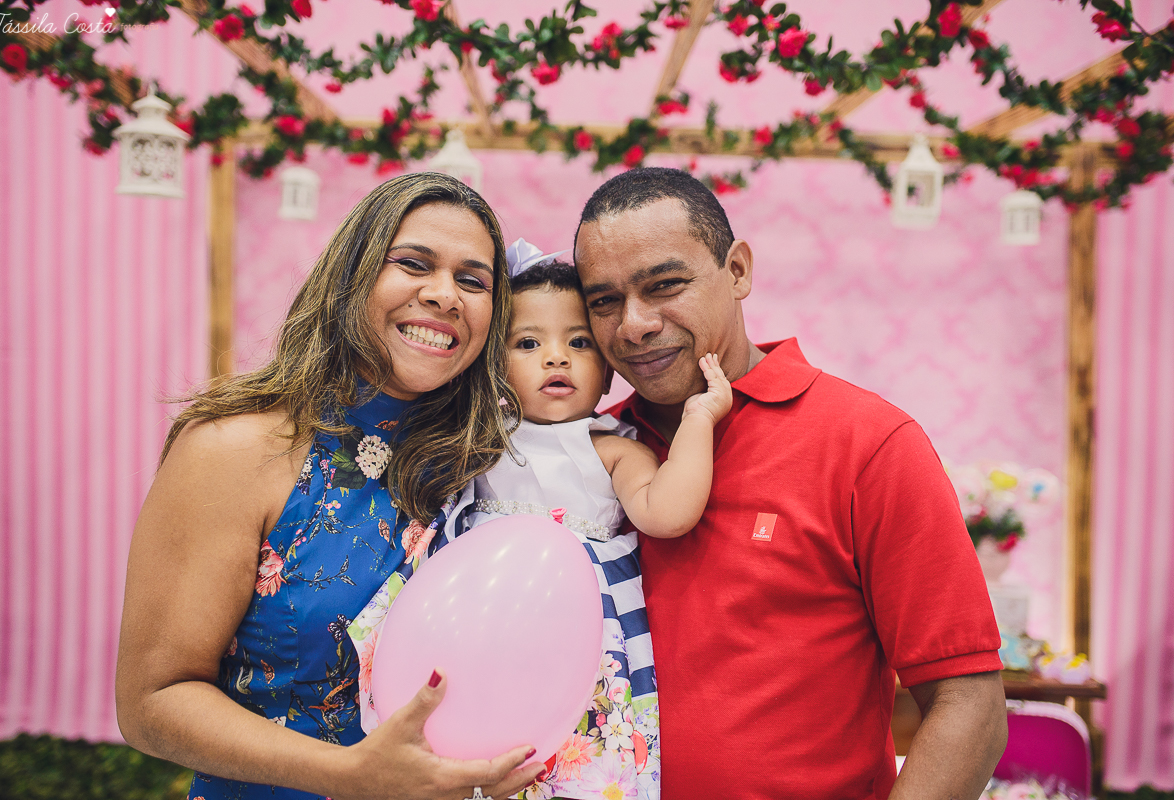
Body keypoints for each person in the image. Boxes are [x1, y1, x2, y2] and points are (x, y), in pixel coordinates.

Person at [571, 167, 1009, 800]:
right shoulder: (596, 453)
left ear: (739, 270)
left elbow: (969, 701)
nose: (633, 325)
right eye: (604, 300)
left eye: (665, 285)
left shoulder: (867, 443)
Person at [115, 173, 548, 800]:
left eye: (473, 280)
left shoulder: (488, 464)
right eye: (413, 264)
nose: (444, 295)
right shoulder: (233, 450)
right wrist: (352, 776)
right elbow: (152, 703)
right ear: (352, 275)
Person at [348, 239, 733, 800]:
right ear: (494, 368)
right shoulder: (479, 439)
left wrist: (698, 421)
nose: (557, 357)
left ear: (607, 373)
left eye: (579, 343)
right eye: (528, 343)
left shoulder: (610, 449)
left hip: (569, 655)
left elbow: (667, 514)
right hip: (471, 636)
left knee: (563, 766)